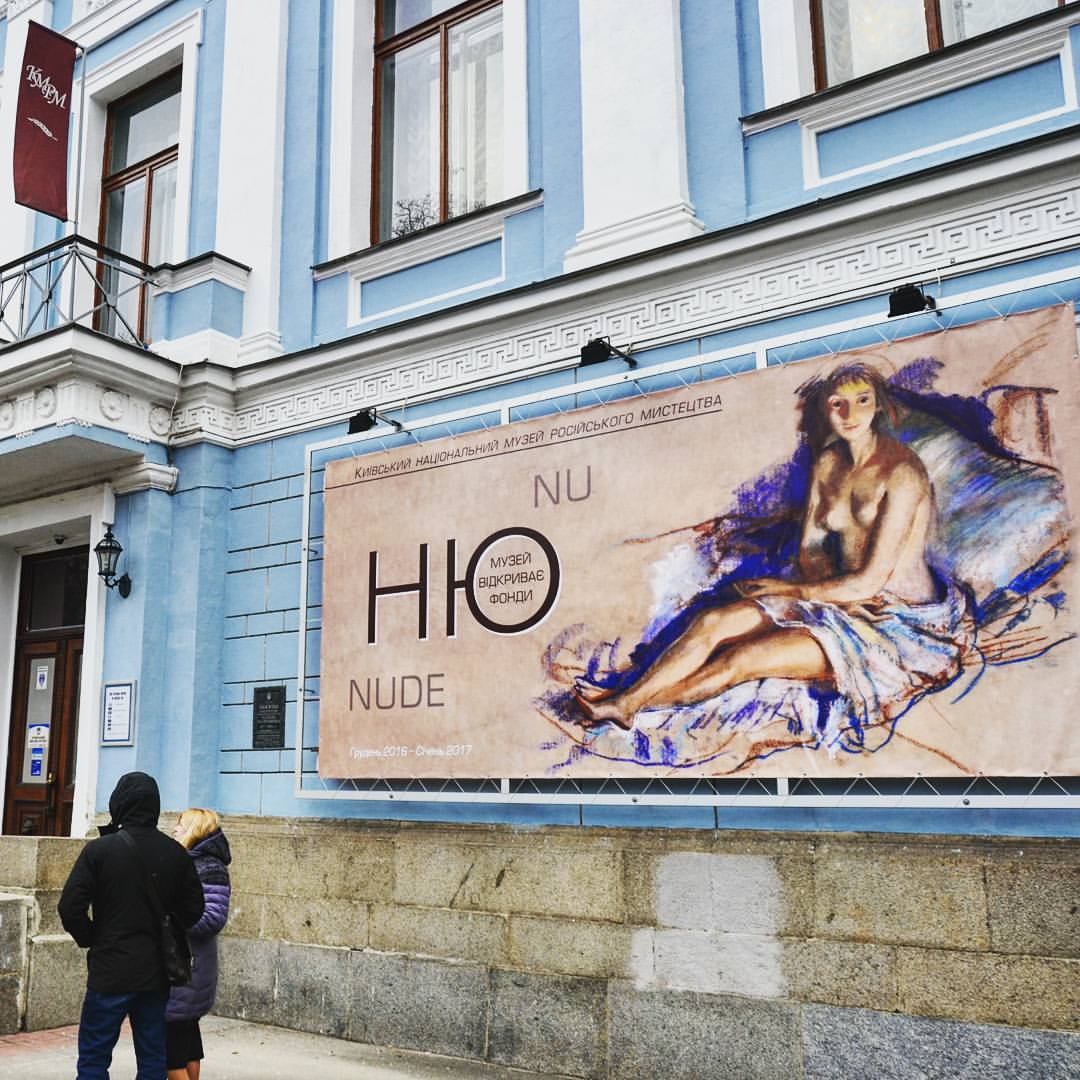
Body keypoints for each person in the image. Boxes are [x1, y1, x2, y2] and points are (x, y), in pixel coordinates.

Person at [574, 362, 972, 732]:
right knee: (712, 622)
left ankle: (626, 703)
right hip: (836, 599)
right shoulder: (829, 463)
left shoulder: (902, 474)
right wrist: (817, 593)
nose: (849, 414)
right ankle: (625, 701)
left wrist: (791, 591)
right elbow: (811, 549)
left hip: (894, 622)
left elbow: (871, 580)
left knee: (740, 660)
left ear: (878, 406)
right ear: (827, 410)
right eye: (838, 404)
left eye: (862, 401)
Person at [58, 771, 205, 1080]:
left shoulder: (99, 850)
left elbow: (70, 907)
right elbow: (194, 910)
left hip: (110, 968)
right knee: (153, 1057)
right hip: (156, 971)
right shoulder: (175, 853)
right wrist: (168, 927)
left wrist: (92, 937)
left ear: (119, 803)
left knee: (94, 1058)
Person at [165, 808, 232, 1080]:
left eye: (180, 825)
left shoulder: (208, 867)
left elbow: (213, 918)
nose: (174, 830)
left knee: (169, 1053)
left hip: (188, 967)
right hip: (190, 965)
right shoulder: (193, 862)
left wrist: (169, 915)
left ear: (194, 830)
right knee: (187, 1043)